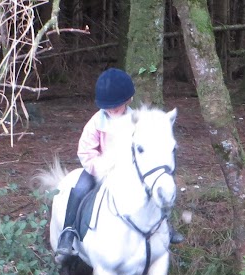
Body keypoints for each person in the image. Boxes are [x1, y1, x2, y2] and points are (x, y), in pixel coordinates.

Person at [55, 68, 183, 264]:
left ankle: (165, 227)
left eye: (117, 107)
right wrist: (101, 169)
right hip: (99, 170)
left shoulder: (139, 122)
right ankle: (68, 232)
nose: (112, 111)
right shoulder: (95, 123)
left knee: (154, 190)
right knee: (79, 188)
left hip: (131, 173)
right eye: (109, 107)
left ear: (128, 100)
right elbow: (85, 152)